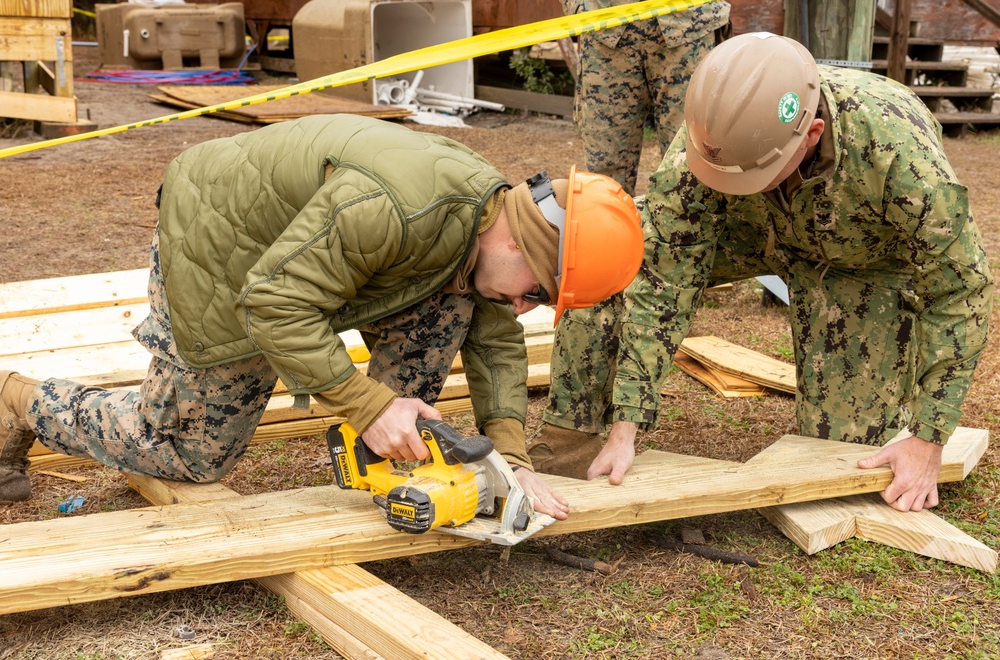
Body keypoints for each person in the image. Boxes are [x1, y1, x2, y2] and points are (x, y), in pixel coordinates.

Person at [0, 114, 643, 520]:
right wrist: (366, 402)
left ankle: (396, 459)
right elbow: (274, 302)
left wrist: (510, 459)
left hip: (312, 257)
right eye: (537, 293)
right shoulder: (394, 209)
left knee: (459, 307)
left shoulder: (488, 217)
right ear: (518, 243)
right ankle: (15, 401)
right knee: (185, 453)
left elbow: (496, 339)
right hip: (224, 246)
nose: (528, 307)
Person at [530, 33, 994, 513]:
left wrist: (928, 438)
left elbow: (961, 291)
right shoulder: (716, 131)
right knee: (611, 253)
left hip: (861, 260)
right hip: (752, 229)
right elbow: (666, 280)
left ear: (812, 135)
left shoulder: (900, 157)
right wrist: (628, 425)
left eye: (746, 173)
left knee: (843, 454)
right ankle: (572, 433)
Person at [559, 0, 731, 196]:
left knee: (692, 165)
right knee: (604, 174)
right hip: (605, 20)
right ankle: (611, 226)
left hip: (689, 21)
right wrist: (576, 2)